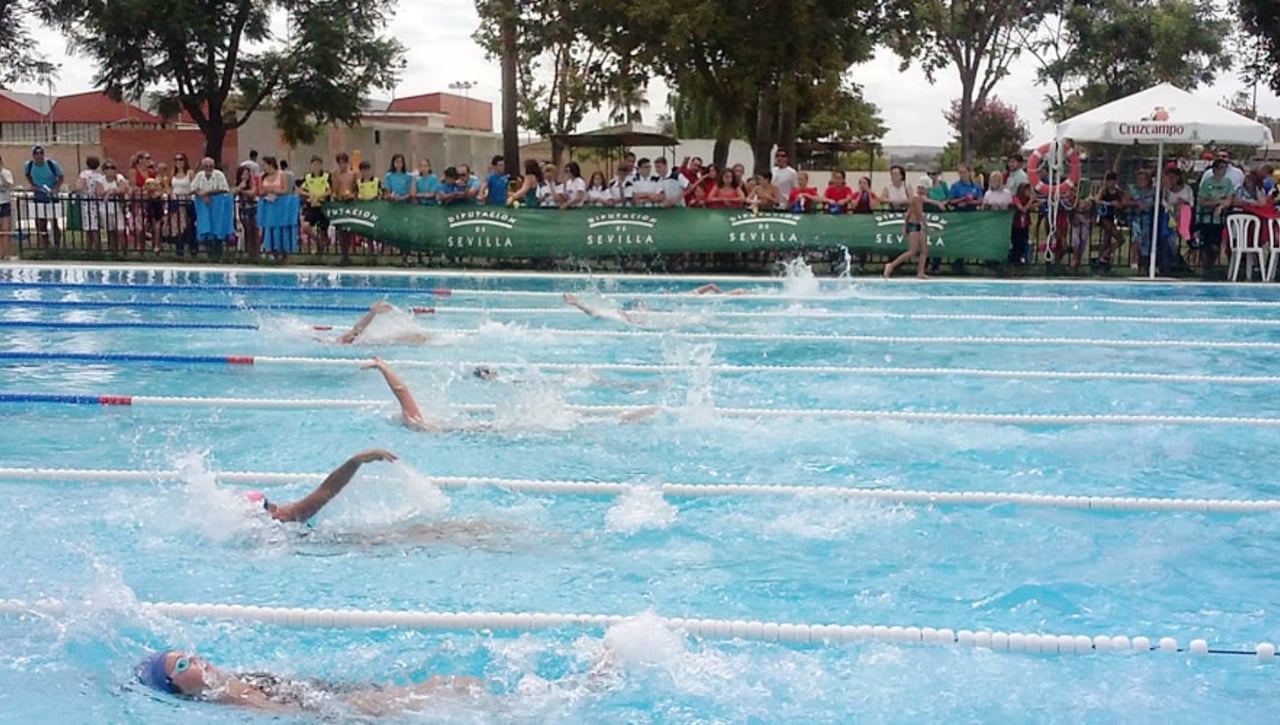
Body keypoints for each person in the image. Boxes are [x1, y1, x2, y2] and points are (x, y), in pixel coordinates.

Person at [135, 647, 482, 715]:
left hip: (344, 697)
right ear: (175, 688)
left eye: (190, 654)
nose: (197, 660)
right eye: (183, 664)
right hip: (349, 709)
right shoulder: (230, 698)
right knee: (455, 687)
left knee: (457, 686)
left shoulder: (234, 682)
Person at [363, 355, 660, 431]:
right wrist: (383, 367)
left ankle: (623, 420)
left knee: (566, 424)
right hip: (498, 429)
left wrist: (382, 367)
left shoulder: (421, 425)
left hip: (498, 431)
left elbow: (402, 392)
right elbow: (402, 391)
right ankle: (624, 419)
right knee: (564, 422)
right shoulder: (430, 426)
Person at [883, 177, 930, 279]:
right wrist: (927, 226)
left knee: (924, 250)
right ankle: (891, 265)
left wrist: (904, 226)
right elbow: (919, 215)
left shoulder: (916, 198)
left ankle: (920, 272)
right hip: (914, 226)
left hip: (916, 226)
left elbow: (907, 213)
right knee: (912, 251)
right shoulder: (917, 199)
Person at [325, 302, 430, 345]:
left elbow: (356, 331)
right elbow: (355, 331)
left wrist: (373, 313)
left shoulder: (343, 341)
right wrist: (373, 312)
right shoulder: (346, 341)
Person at [24, 145, 64, 248]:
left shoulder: (52, 164)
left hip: (52, 194)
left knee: (54, 220)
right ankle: (44, 243)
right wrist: (33, 185)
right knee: (41, 221)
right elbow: (27, 175)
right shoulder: (29, 165)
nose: (39, 156)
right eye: (36, 154)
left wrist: (55, 188)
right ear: (33, 155)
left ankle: (56, 244)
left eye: (41, 153)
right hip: (39, 194)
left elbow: (61, 177)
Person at [0, 153, 13, 259]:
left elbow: (8, 185)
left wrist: (1, 174)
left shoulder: (6, 173)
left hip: (4, 203)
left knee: (5, 230)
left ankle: (6, 253)